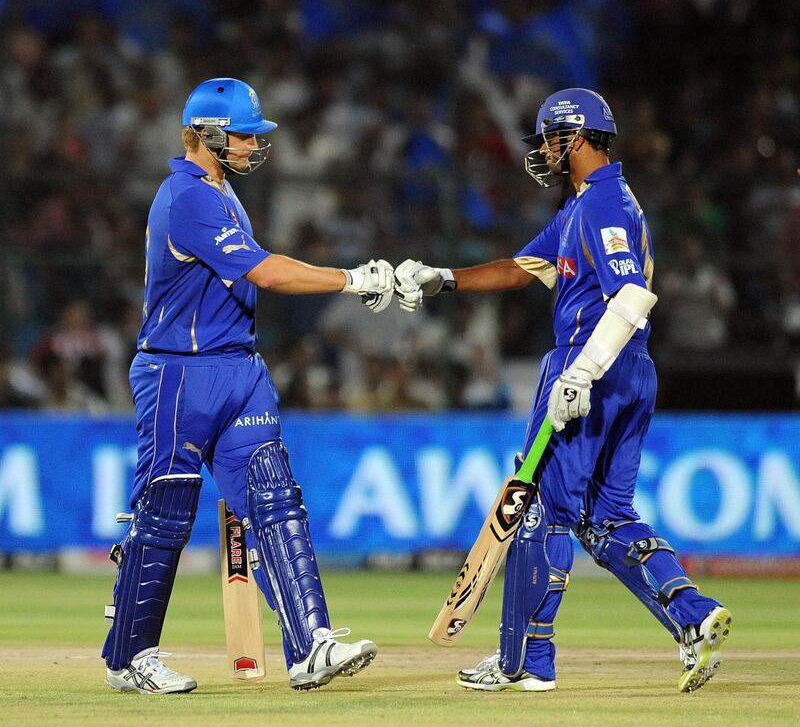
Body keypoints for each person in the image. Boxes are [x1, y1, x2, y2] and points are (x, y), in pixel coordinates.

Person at [394, 88, 732, 694]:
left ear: (574, 138)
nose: (544, 149)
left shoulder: (603, 205)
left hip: (591, 364)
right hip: (632, 371)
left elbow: (631, 296)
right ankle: (693, 616)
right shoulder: (585, 205)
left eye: (550, 137)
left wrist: (582, 372)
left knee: (539, 511)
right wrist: (442, 278)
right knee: (607, 518)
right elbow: (524, 268)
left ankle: (525, 661)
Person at [102, 77, 392, 694]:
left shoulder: (221, 190)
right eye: (242, 134)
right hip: (179, 371)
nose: (253, 146)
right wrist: (352, 279)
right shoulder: (188, 197)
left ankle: (311, 643)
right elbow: (267, 272)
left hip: (238, 368)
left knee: (275, 498)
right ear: (205, 134)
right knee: (165, 514)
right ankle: (130, 657)